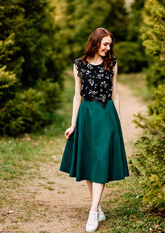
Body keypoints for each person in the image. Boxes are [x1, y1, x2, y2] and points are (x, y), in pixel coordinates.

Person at [59, 27, 129, 232]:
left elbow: (115, 94)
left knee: (100, 162)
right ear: (95, 42)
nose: (108, 48)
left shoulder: (112, 64)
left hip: (106, 115)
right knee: (91, 162)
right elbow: (76, 96)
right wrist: (73, 125)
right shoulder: (79, 65)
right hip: (86, 115)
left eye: (110, 44)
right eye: (105, 43)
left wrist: (118, 123)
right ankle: (97, 207)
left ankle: (92, 212)